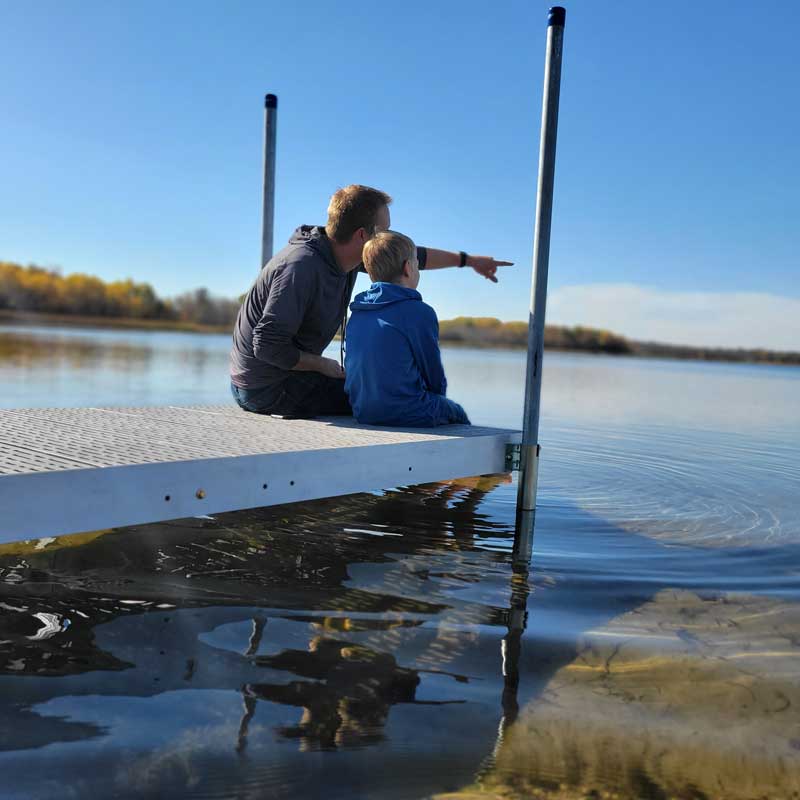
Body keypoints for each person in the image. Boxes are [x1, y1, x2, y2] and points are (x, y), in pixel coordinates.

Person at [230, 184, 511, 418]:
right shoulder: (301, 267)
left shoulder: (344, 254)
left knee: (378, 393)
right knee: (381, 401)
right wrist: (321, 364)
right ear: (362, 236)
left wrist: (468, 261)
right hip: (264, 386)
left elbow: (411, 256)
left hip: (281, 376)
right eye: (383, 231)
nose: (387, 238)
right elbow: (266, 345)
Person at [344, 231, 469, 427]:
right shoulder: (419, 312)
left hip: (363, 411)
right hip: (408, 411)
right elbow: (432, 372)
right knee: (457, 412)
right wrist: (437, 401)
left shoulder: (358, 313)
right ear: (408, 268)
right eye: (418, 265)